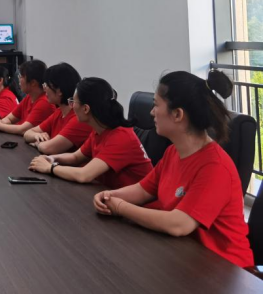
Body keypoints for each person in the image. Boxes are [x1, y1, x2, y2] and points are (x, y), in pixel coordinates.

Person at [92, 70, 253, 269]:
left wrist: (120, 207)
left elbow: (178, 224)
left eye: (156, 105)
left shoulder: (215, 167)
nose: (152, 112)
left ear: (177, 114)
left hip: (227, 271)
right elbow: (142, 190)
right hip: (185, 257)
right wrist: (109, 196)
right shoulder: (173, 152)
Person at [28, 77, 152, 189]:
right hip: (110, 195)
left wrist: (50, 168)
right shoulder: (99, 129)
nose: (71, 106)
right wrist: (51, 158)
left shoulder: (121, 137)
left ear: (86, 108)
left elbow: (84, 175)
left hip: (134, 204)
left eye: (73, 102)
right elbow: (75, 157)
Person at [23, 63, 92, 154]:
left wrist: (37, 143)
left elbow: (48, 148)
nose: (44, 89)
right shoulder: (59, 112)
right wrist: (36, 135)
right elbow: (27, 133)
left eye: (47, 85)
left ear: (59, 91)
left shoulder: (78, 118)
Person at [0, 60, 55, 135]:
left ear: (33, 83)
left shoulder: (44, 102)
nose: (19, 80)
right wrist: (1, 123)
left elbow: (23, 129)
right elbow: (10, 118)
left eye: (21, 76)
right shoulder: (29, 97)